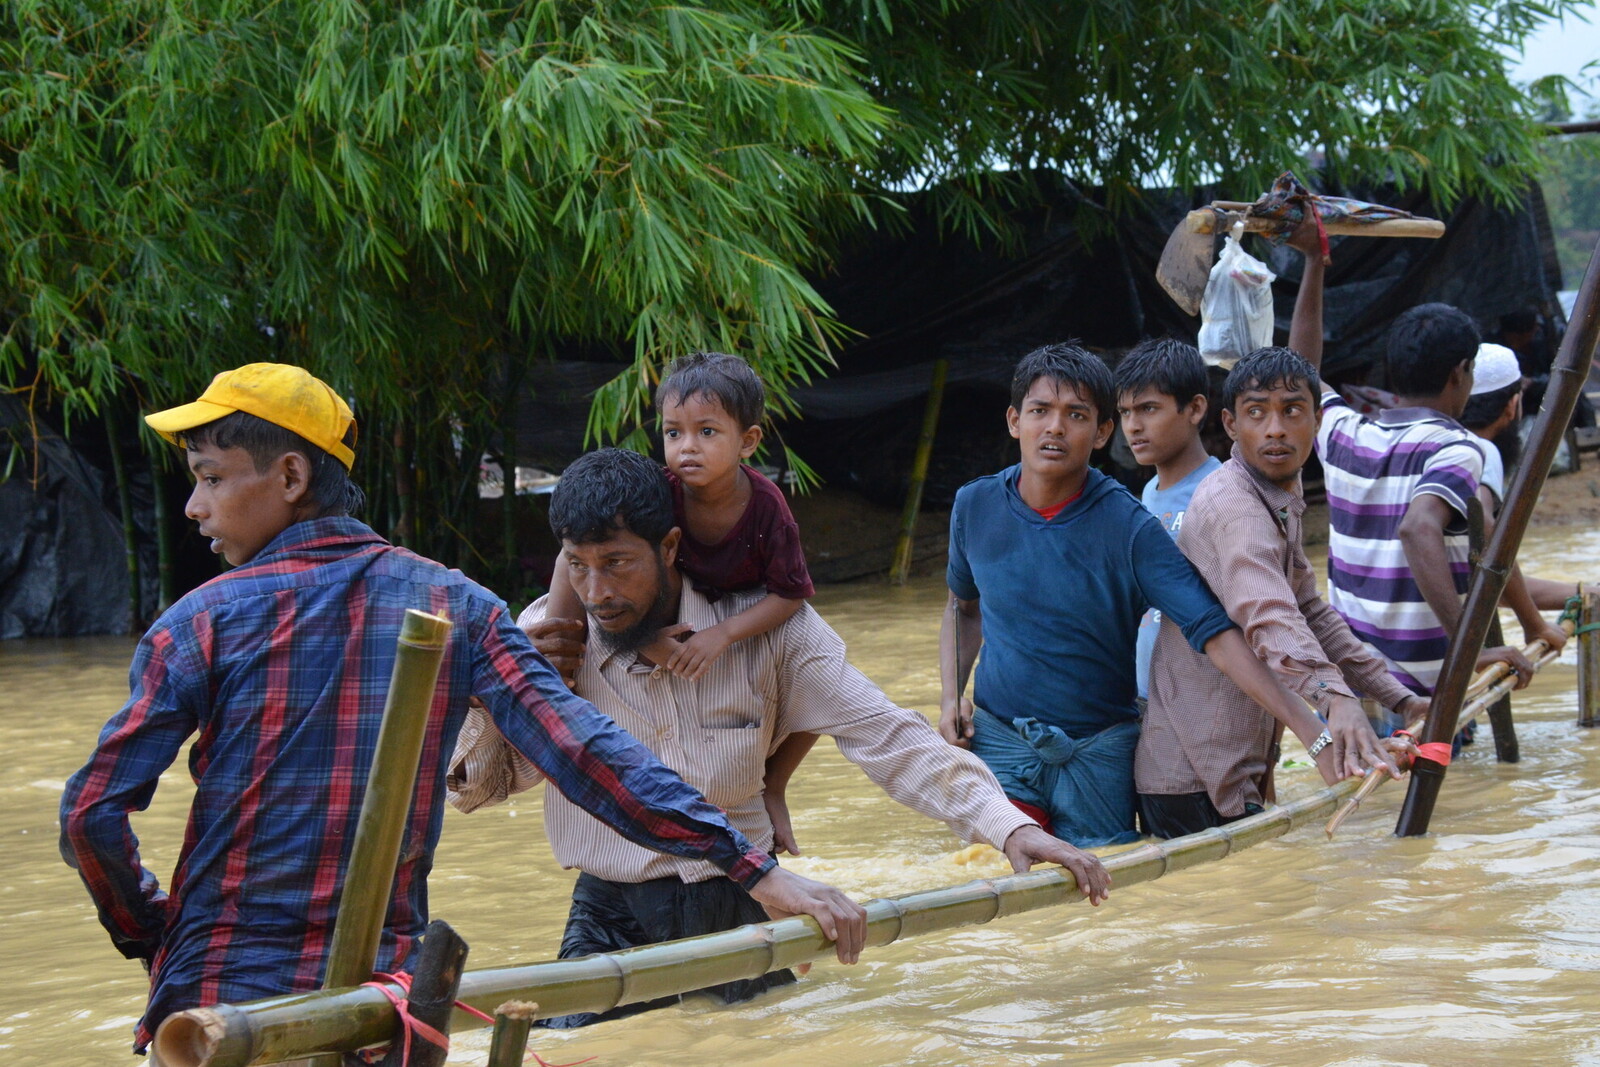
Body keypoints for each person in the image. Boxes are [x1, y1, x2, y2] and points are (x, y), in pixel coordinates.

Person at [58, 364, 865, 1053]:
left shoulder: (199, 621)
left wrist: (151, 928)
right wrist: (754, 866)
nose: (195, 507)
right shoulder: (456, 604)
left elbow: (91, 814)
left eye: (207, 477)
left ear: (292, 478)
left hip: (218, 1000)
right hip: (387, 1005)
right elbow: (587, 756)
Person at [448, 447, 1111, 1027]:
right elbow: (475, 794)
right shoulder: (551, 637)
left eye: (618, 563)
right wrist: (504, 695)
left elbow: (891, 737)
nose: (597, 591)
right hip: (607, 912)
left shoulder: (770, 629)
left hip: (742, 905)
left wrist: (1010, 828)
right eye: (579, 566)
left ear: (671, 547)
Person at [939, 343, 1378, 848]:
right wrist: (951, 696)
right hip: (998, 739)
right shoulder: (973, 505)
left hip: (1100, 753)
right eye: (1040, 412)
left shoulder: (1130, 526)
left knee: (1093, 893)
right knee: (995, 872)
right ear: (1015, 420)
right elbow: (961, 607)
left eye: (1076, 415)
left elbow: (1215, 633)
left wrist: (1312, 730)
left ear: (1102, 433)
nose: (1055, 428)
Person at [1136, 347, 1413, 837]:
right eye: (1256, 412)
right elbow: (1268, 614)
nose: (1276, 429)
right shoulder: (1235, 506)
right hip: (1193, 775)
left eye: (1291, 411)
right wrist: (1334, 700)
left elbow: (1309, 611)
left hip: (1229, 762)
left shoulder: (1278, 496)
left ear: (1317, 420)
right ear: (1230, 424)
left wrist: (1400, 699)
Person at [1292, 247, 1534, 702]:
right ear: (1460, 373)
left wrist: (1312, 263)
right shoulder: (1458, 448)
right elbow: (1418, 527)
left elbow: (1302, 371)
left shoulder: (1346, 433)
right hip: (1424, 692)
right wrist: (1470, 646)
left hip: (1354, 677)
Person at [1113, 338, 1223, 702]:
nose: (1133, 426)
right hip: (1148, 696)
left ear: (1194, 409)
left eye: (1148, 409)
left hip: (1200, 702)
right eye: (1125, 412)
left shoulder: (1225, 493)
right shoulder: (1147, 495)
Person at [1460, 344, 1575, 631]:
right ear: (1512, 405)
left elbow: (1480, 577)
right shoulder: (1481, 450)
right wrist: (1533, 622)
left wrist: (1578, 591)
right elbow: (1487, 546)